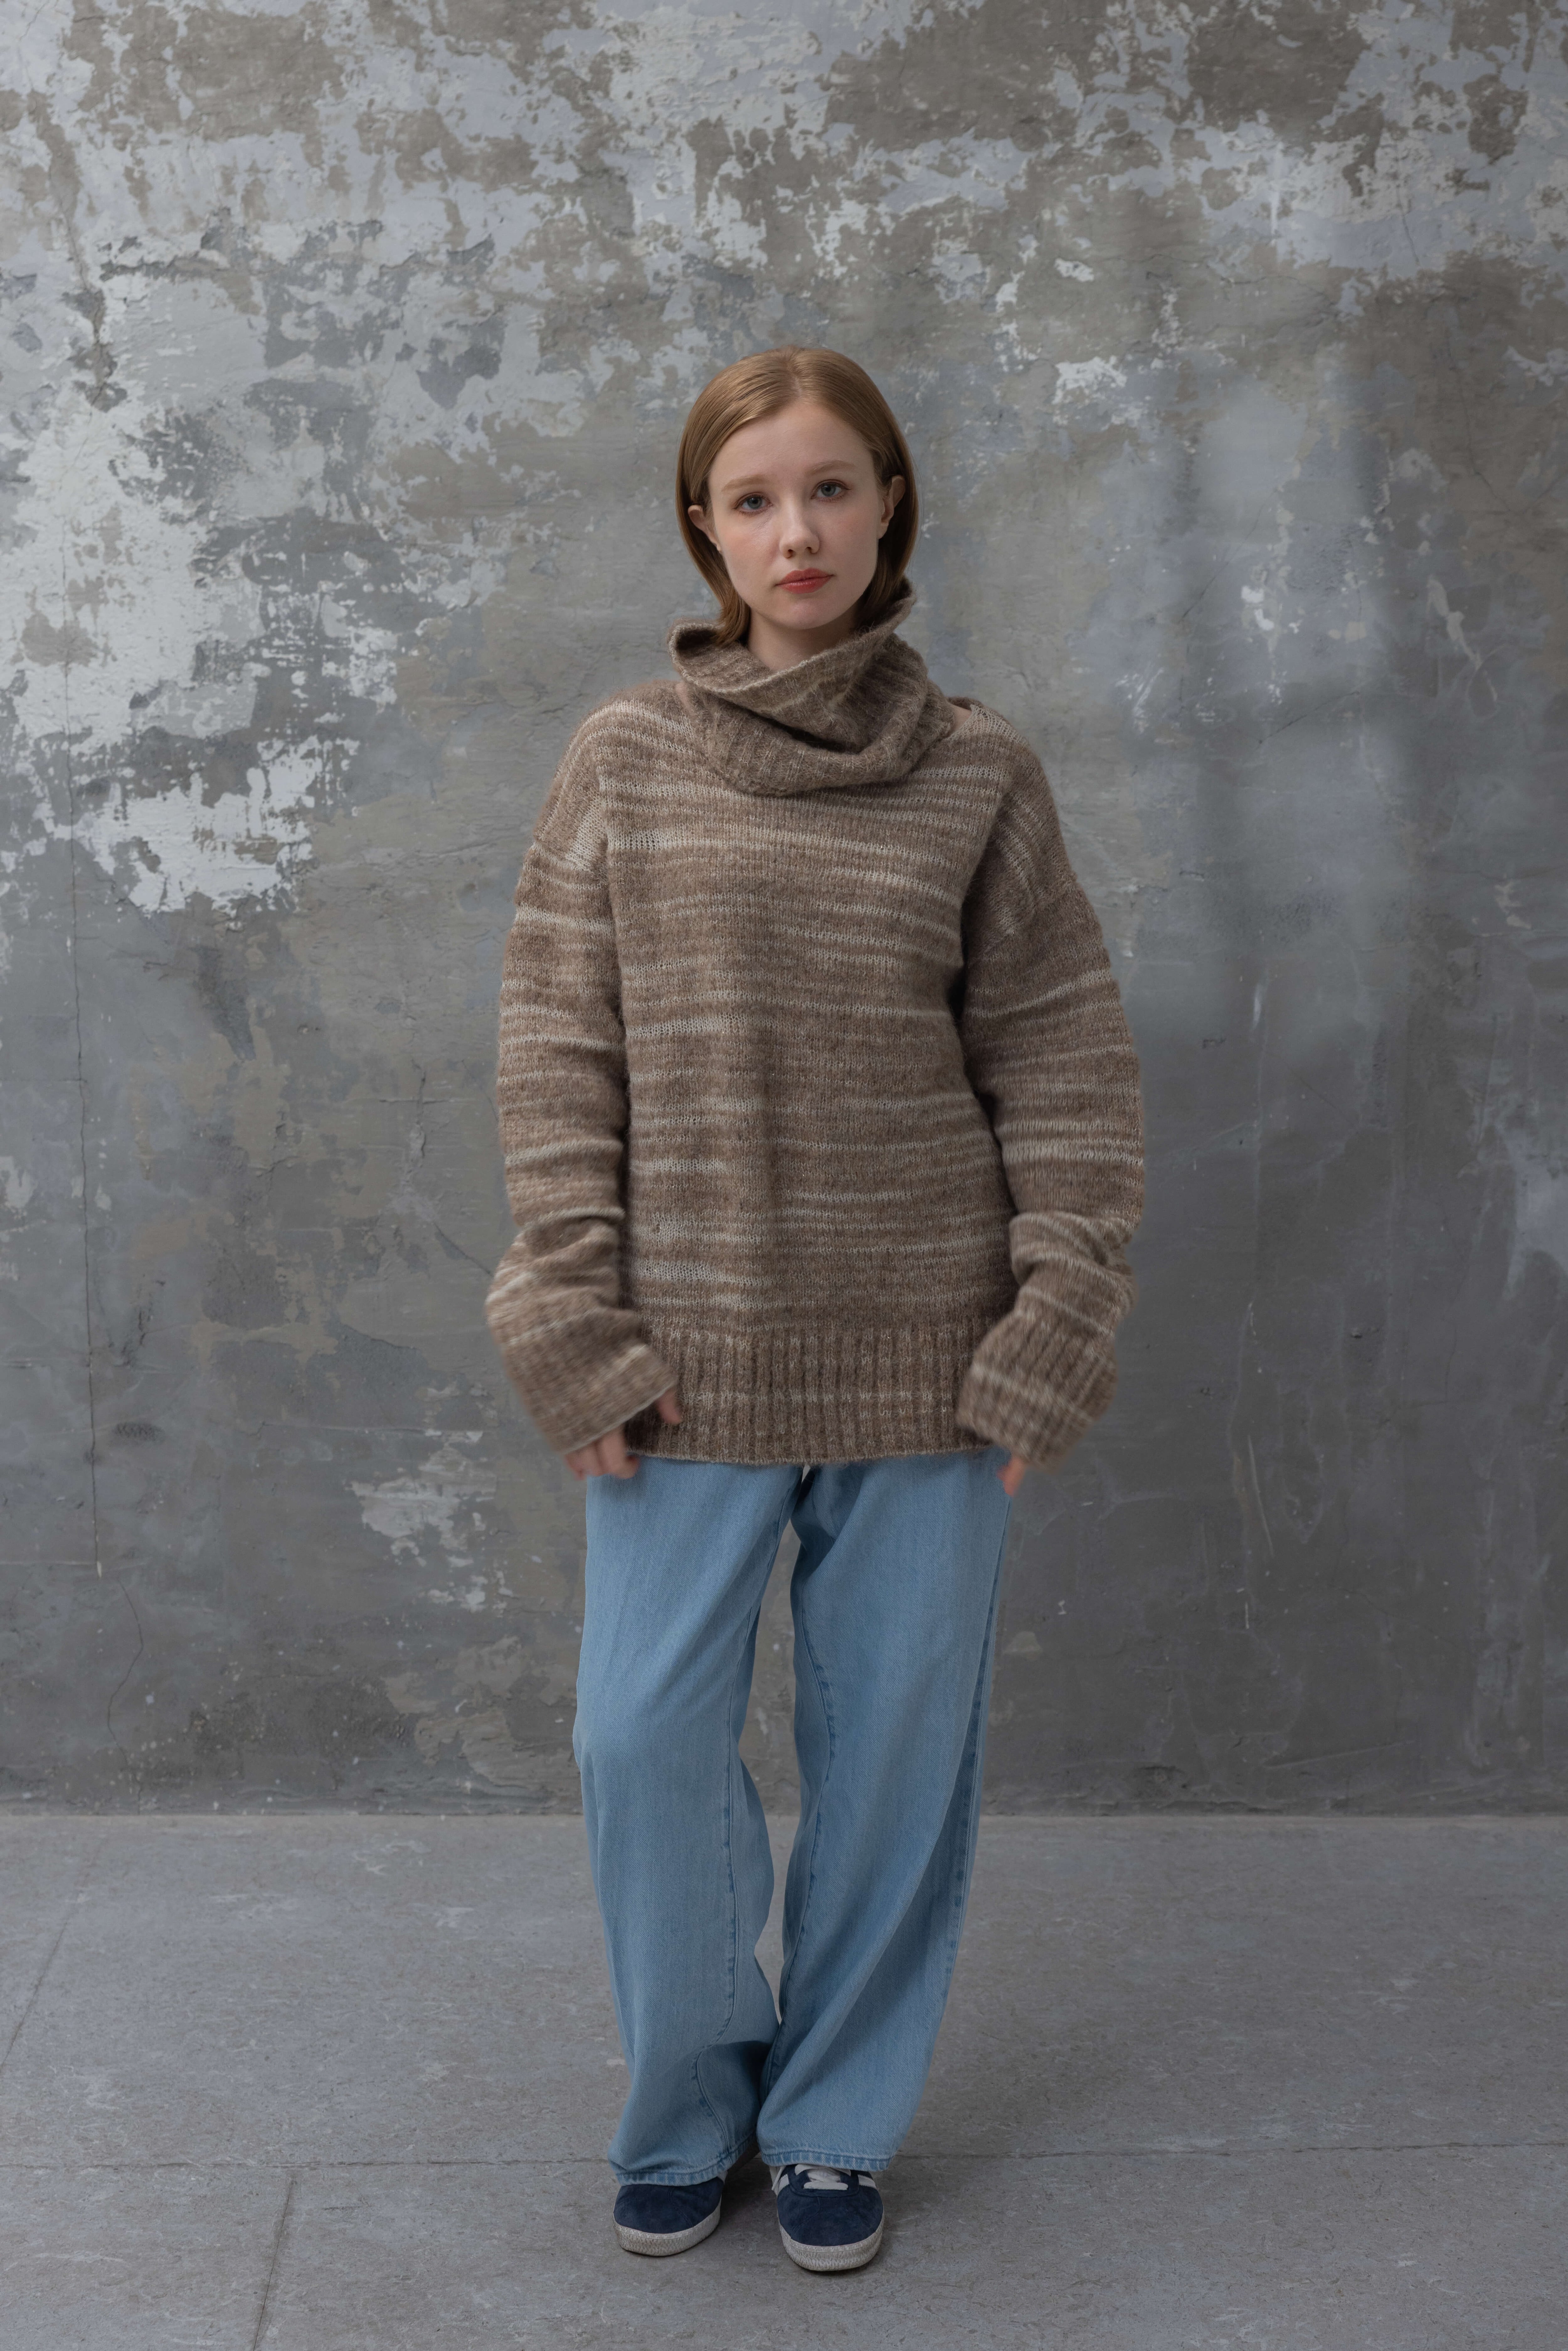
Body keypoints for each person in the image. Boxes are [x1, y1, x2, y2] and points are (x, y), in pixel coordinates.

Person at [485, 346, 1143, 2273]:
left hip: (936, 1360)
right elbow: (557, 1051)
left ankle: (837, 2115)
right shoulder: (625, 758)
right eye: (756, 496)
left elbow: (1060, 1058)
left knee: (895, 1767)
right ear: (704, 527)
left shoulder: (978, 770)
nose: (798, 531)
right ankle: (693, 2100)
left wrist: (1056, 1318)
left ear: (889, 505)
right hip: (678, 1362)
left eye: (833, 487)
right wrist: (568, 1315)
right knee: (639, 1741)